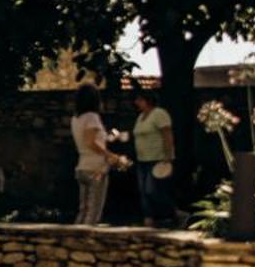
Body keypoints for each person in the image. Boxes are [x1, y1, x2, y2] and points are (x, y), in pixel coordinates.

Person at [70, 83, 120, 224]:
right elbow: (90, 142)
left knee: (84, 209)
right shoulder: (92, 117)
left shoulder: (76, 119)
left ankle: (74, 238)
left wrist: (107, 137)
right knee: (94, 211)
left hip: (82, 166)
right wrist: (110, 155)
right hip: (96, 168)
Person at [130, 89, 178, 226]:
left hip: (157, 158)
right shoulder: (140, 117)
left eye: (139, 100)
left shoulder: (159, 114)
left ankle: (172, 212)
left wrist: (168, 155)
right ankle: (148, 218)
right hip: (142, 159)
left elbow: (167, 134)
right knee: (143, 191)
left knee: (152, 190)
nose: (136, 103)